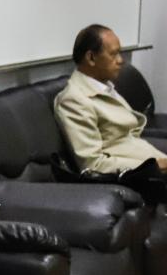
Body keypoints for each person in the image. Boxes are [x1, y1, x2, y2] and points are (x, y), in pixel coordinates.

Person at [55, 24, 167, 176]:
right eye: (113, 54)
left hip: (143, 156)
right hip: (137, 176)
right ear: (91, 58)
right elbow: (93, 164)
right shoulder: (73, 100)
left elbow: (126, 137)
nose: (120, 60)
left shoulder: (103, 86)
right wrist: (154, 166)